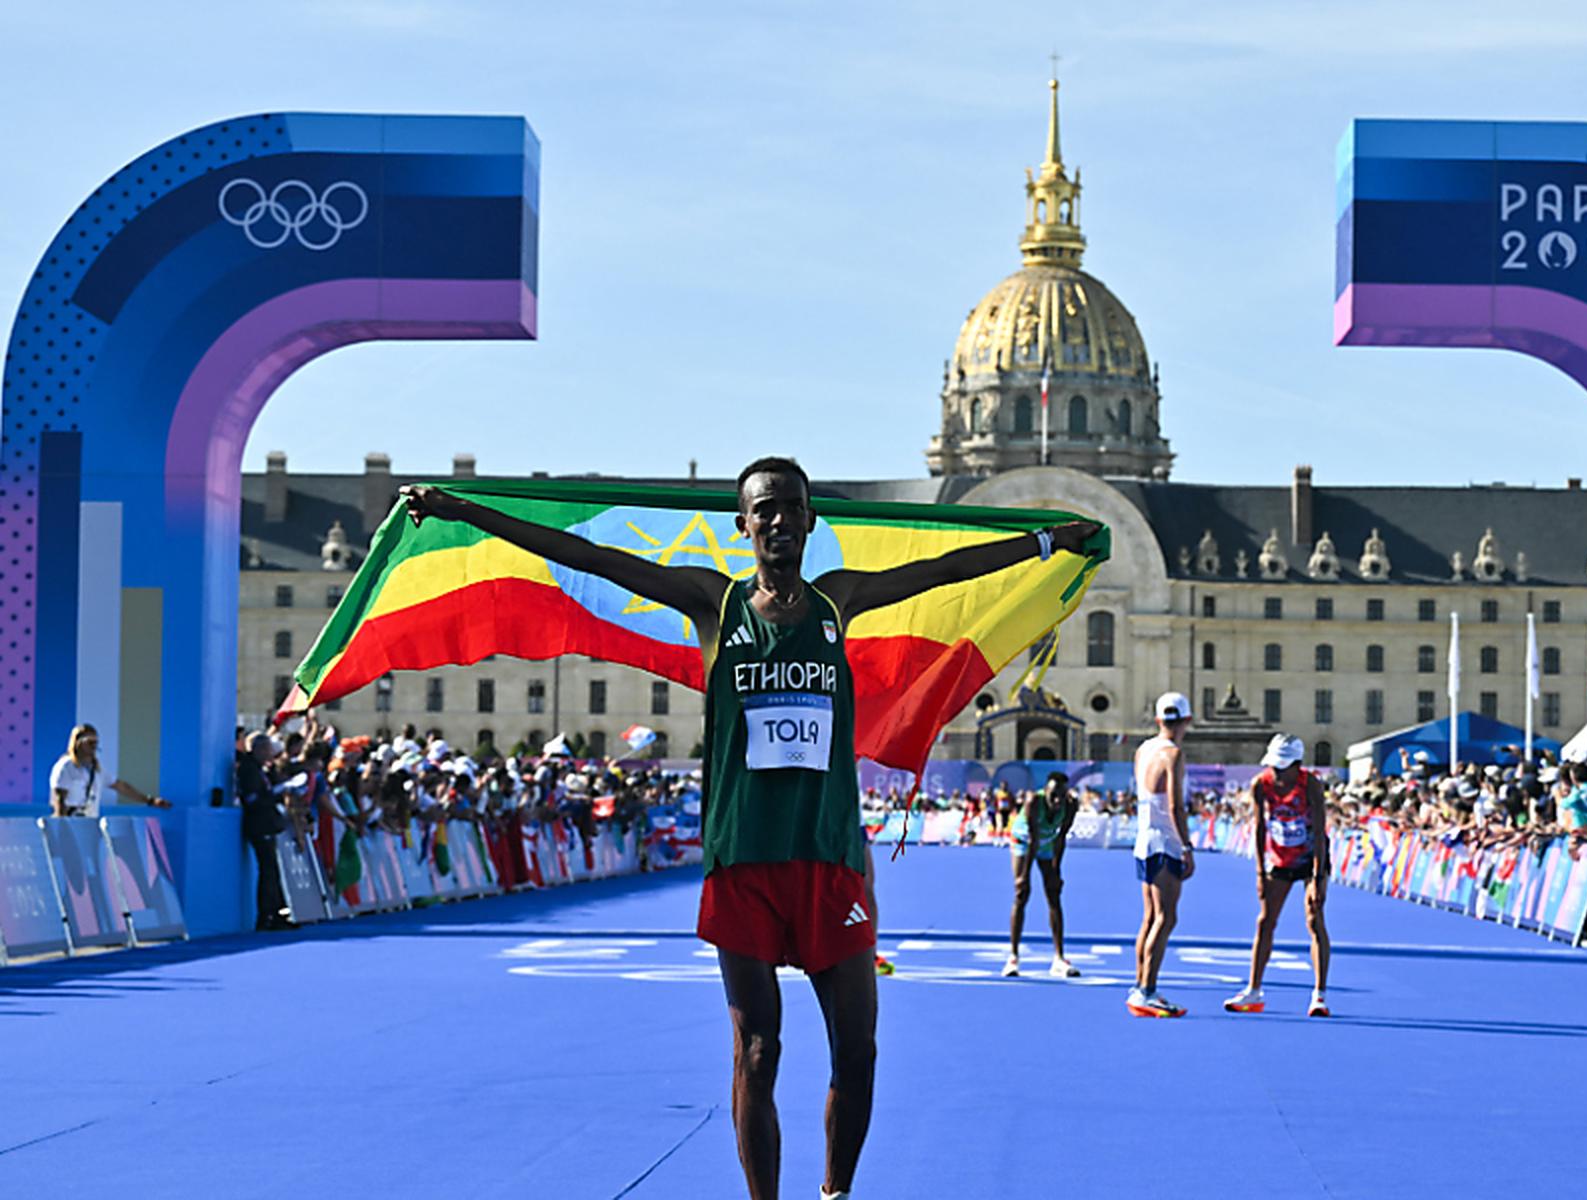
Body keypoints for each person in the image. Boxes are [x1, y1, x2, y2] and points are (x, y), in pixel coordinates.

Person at [404, 458, 1095, 1200]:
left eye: (790, 507)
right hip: (744, 862)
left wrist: (1044, 542)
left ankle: (834, 1193)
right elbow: (593, 557)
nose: (776, 520)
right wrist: (465, 511)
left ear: (809, 520)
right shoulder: (714, 603)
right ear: (744, 525)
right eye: (762, 509)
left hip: (829, 859)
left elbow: (945, 569)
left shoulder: (840, 600)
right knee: (758, 1050)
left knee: (857, 1050)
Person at [1224, 734, 1331, 1017]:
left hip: (1310, 857)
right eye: (1274, 766)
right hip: (1279, 857)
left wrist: (1319, 878)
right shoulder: (1262, 784)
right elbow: (1259, 827)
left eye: (1283, 767)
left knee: (1314, 918)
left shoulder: (1311, 785)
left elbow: (1320, 833)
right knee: (1265, 920)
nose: (1278, 772)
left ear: (1297, 764)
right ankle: (1254, 989)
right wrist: (1259, 871)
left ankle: (1319, 995)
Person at [1127, 692, 1194, 1018]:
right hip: (1165, 841)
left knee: (1150, 917)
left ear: (1157, 720)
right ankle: (1147, 990)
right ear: (1187, 721)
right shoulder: (1173, 755)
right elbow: (1174, 805)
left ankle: (1141, 985)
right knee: (1166, 917)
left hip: (1144, 839)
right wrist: (1186, 846)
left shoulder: (1143, 750)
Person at [1002, 772, 1080, 979]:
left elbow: (1061, 838)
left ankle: (1059, 958)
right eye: (1053, 795)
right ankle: (1013, 957)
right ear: (1045, 791)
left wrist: (1057, 871)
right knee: (1022, 893)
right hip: (1023, 842)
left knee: (1054, 894)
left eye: (1061, 796)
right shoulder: (1033, 802)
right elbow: (1033, 839)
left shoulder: (1071, 805)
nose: (1057, 800)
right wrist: (1024, 876)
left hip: (1046, 842)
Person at [238, 732, 296, 931]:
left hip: (268, 824)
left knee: (272, 871)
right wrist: (275, 794)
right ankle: (266, 916)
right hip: (259, 824)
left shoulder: (261, 770)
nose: (271, 753)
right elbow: (253, 800)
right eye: (268, 749)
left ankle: (276, 913)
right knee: (268, 871)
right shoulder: (249, 770)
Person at [48, 724, 169, 817]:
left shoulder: (96, 770)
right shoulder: (66, 766)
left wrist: (149, 800)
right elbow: (59, 799)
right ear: (78, 743)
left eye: (95, 743)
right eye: (90, 743)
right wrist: (61, 827)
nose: (93, 746)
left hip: (88, 824)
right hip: (70, 822)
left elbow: (121, 786)